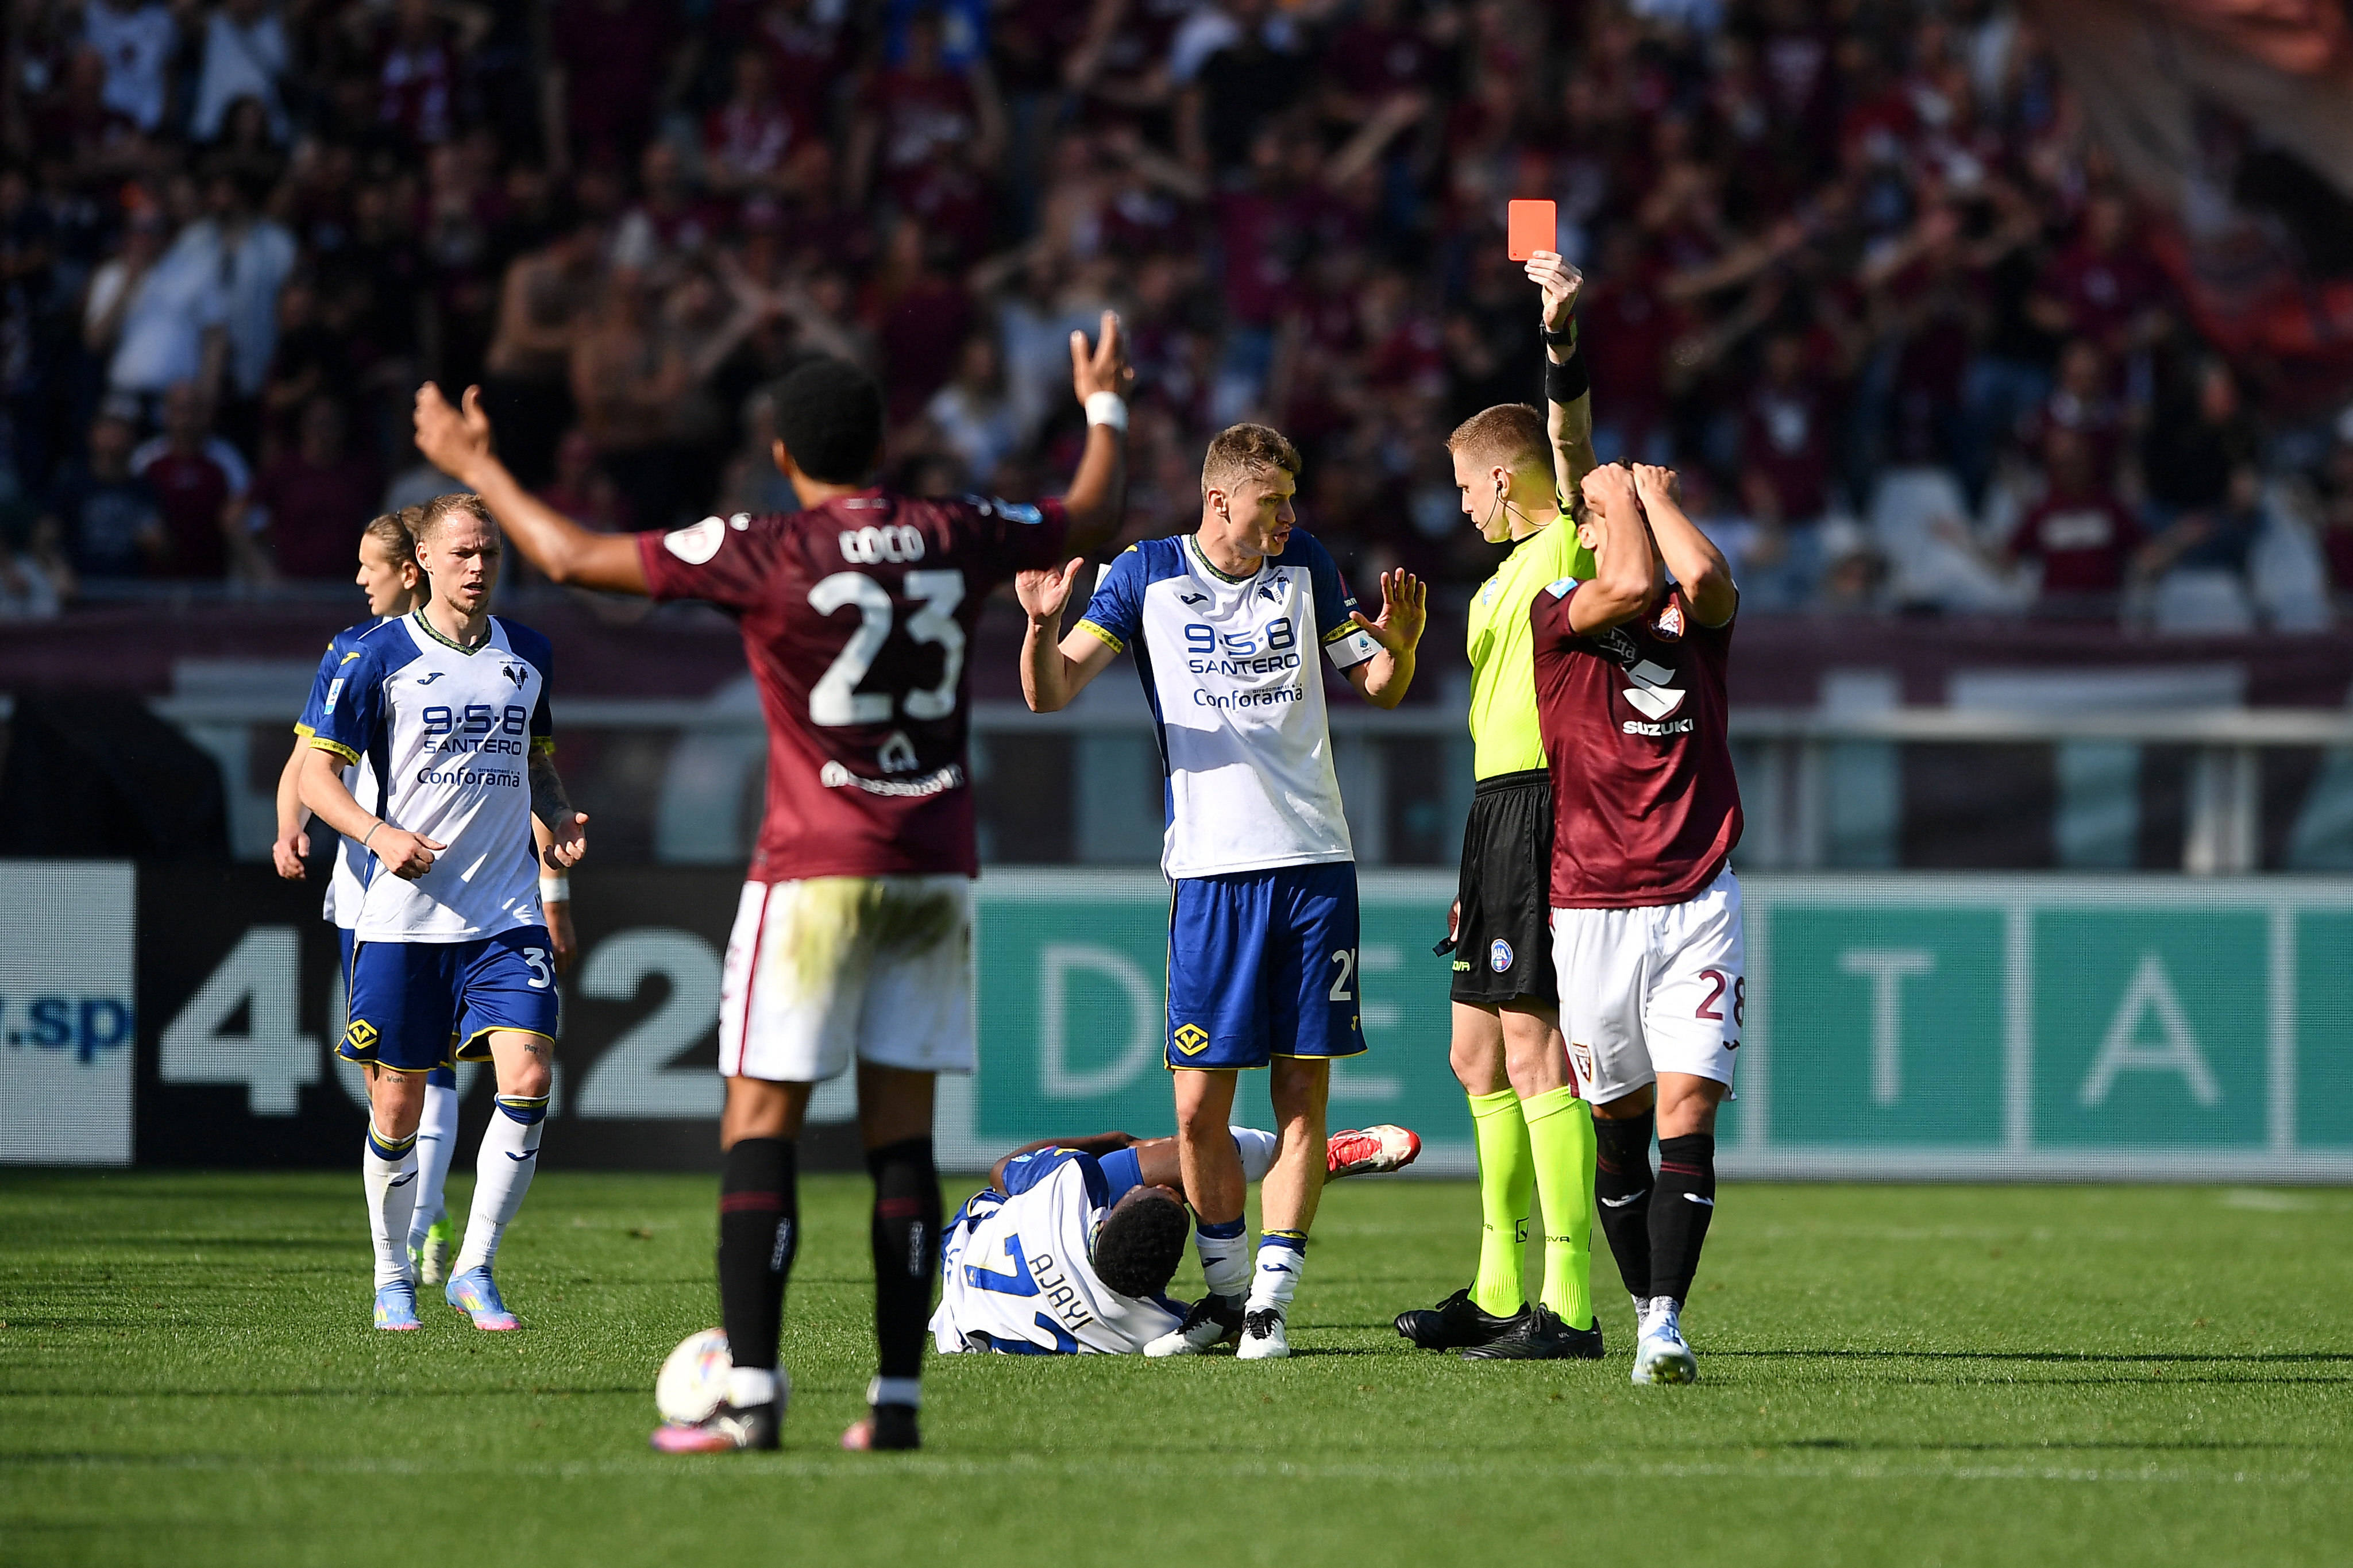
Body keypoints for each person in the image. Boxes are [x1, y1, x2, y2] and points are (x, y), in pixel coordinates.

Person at [411, 315, 1136, 1453]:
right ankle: (894, 1406)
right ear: (883, 447)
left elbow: (565, 558)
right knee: (902, 1141)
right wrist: (1103, 403)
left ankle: (752, 1394)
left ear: (787, 457)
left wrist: (472, 467)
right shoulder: (954, 529)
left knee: (761, 1126)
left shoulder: (767, 547)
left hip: (811, 874)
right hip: (932, 869)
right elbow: (1090, 511)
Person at [1017, 422, 1427, 1361]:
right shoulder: (1144, 575)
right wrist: (1040, 627)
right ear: (1218, 501)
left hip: (1313, 865)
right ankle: (1228, 1299)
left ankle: (1270, 1307)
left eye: (1292, 503)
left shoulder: (1308, 567)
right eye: (1271, 503)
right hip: (1208, 876)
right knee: (1198, 1108)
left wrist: (1398, 646)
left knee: (1299, 1096)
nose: (1287, 519)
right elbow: (1051, 693)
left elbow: (1379, 684)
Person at [296, 492, 589, 1335]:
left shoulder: (527, 655)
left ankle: (475, 1266)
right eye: (461, 553)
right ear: (421, 561)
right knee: (398, 1108)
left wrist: (559, 817)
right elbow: (318, 777)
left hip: (505, 915)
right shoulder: (375, 654)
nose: (477, 567)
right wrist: (377, 832)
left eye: (489, 554)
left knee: (529, 1077)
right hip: (403, 919)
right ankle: (393, 1274)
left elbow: (537, 765)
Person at [1395, 249, 1604, 1362]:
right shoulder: (1487, 586)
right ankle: (1495, 1285)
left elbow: (1571, 442)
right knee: (1472, 1056)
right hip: (1491, 819)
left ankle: (1567, 1308)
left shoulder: (1565, 540)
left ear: (1506, 482)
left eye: (1468, 484)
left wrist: (1558, 334)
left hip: (1541, 810)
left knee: (1534, 1054)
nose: (1461, 501)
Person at [1530, 459, 1743, 1387]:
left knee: (1688, 1110)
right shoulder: (1558, 607)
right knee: (1616, 1126)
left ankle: (1664, 1322)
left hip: (1699, 892)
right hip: (1591, 903)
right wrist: (1611, 498)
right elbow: (1628, 583)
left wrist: (1652, 495)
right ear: (1584, 528)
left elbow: (1699, 581)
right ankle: (1638, 1301)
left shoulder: (1691, 612)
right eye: (1601, 511)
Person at [934, 1123, 1421, 1356]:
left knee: (1183, 1160)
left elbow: (1003, 1169)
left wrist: (1110, 1145)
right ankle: (1304, 1156)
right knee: (1183, 1157)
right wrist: (1121, 1144)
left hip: (981, 1255)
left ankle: (1309, 1158)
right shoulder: (1071, 1186)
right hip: (976, 1285)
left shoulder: (1143, 1325)